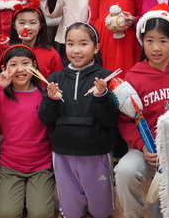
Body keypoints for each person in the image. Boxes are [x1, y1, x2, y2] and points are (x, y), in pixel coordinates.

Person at [115, 5, 169, 218]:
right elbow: (124, 121)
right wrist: (142, 146)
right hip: (146, 150)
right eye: (149, 40)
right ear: (142, 42)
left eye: (163, 41)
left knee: (162, 205)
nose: (156, 48)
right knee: (124, 171)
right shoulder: (133, 77)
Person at [39, 23, 118, 218]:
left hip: (96, 151)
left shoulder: (105, 77)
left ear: (96, 48)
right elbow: (45, 118)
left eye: (83, 44)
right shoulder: (55, 78)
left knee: (101, 213)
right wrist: (52, 99)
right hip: (63, 152)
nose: (76, 50)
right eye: (70, 44)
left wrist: (101, 96)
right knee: (72, 214)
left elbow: (110, 120)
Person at [0, 45, 55, 218]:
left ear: (34, 65)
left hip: (41, 166)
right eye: (13, 65)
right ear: (4, 69)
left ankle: (31, 193)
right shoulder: (0, 95)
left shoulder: (44, 93)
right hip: (10, 166)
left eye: (25, 63)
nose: (20, 69)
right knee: (7, 214)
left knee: (41, 214)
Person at [9, 5, 62, 78]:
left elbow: (59, 80)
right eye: (22, 23)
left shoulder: (52, 55)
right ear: (14, 25)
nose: (27, 27)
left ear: (40, 26)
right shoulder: (8, 53)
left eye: (33, 23)